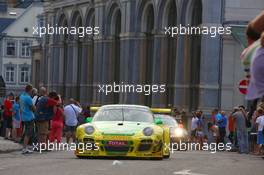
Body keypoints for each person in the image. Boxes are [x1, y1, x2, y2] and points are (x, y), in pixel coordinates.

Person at [20, 84, 35, 154]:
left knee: (27, 132)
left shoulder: (22, 96)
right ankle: (24, 148)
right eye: (32, 90)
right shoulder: (28, 98)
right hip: (29, 117)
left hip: (24, 116)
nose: (32, 92)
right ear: (30, 90)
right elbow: (33, 108)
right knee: (28, 133)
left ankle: (25, 147)